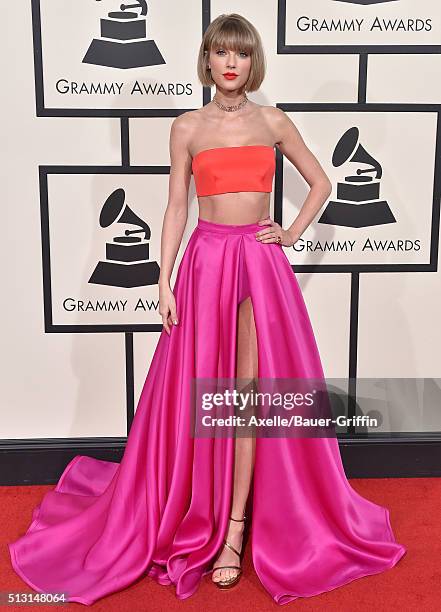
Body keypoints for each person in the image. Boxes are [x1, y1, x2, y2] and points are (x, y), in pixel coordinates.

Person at [8, 13, 406, 605]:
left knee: (245, 394)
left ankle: (235, 532)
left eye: (240, 54)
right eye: (220, 52)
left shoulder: (272, 121)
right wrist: (163, 279)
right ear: (208, 59)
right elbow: (174, 207)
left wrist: (291, 232)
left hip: (258, 265)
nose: (230, 63)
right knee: (201, 388)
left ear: (253, 62)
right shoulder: (187, 126)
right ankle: (198, 508)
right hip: (207, 264)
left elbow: (321, 183)